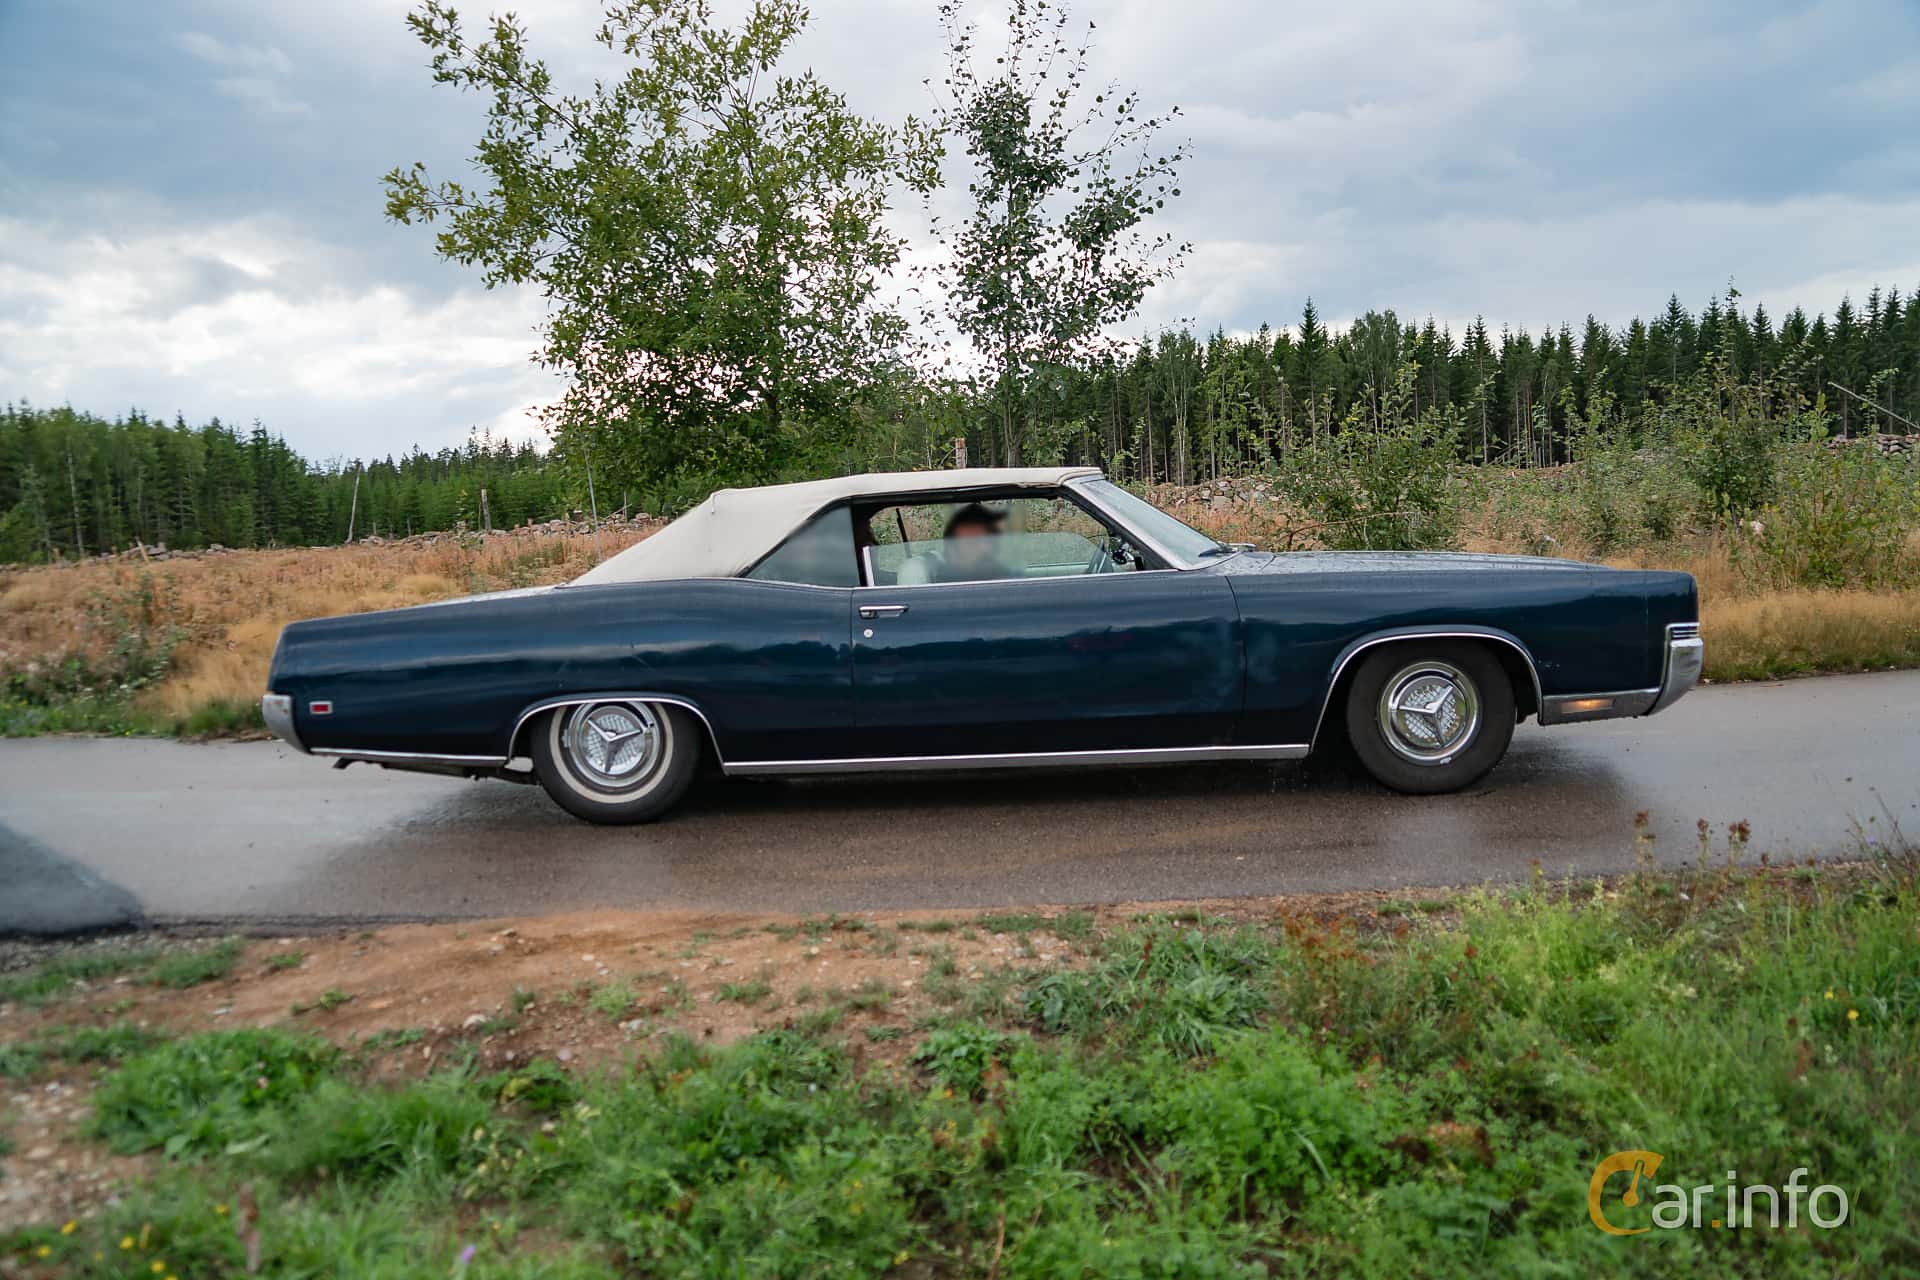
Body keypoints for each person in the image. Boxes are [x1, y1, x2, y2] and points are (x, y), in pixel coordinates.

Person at [934, 502, 1009, 582]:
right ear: (953, 552)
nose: (984, 548)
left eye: (988, 540)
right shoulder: (945, 587)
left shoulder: (1012, 579)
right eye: (973, 543)